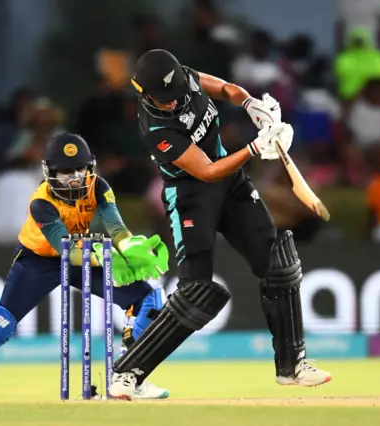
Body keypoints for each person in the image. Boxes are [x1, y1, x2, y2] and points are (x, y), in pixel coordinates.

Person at [107, 49, 332, 400]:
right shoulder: (156, 126)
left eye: (177, 93)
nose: (174, 102)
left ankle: (293, 365)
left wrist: (251, 105)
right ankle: (128, 373)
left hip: (232, 184)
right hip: (190, 196)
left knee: (278, 266)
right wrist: (256, 148)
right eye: (165, 99)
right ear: (144, 93)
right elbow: (206, 171)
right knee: (195, 294)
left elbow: (227, 90)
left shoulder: (184, 79)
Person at [0, 133, 172, 402]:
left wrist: (129, 248)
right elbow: (65, 250)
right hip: (39, 260)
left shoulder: (100, 187)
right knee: (0, 321)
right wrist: (105, 258)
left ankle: (130, 379)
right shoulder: (41, 202)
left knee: (149, 300)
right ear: (49, 172)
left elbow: (115, 227)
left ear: (90, 168)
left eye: (79, 170)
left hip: (85, 252)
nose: (74, 178)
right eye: (65, 172)